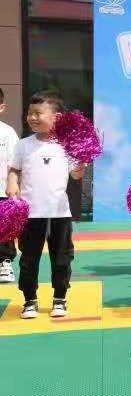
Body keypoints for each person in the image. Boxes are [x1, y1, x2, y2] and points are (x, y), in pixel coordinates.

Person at [6, 91, 86, 319]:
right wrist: (12, 182)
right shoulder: (23, 145)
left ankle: (60, 298)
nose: (32, 117)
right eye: (30, 113)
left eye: (38, 113)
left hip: (60, 214)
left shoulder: (67, 145)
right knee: (29, 259)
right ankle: (29, 300)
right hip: (30, 214)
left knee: (62, 258)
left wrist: (82, 165)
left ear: (57, 118)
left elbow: (76, 175)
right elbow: (14, 170)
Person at [0, 87, 19, 283]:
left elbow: (16, 163)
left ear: (1, 107)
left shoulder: (8, 133)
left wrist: (14, 186)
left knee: (4, 230)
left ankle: (4, 262)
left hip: (3, 190)